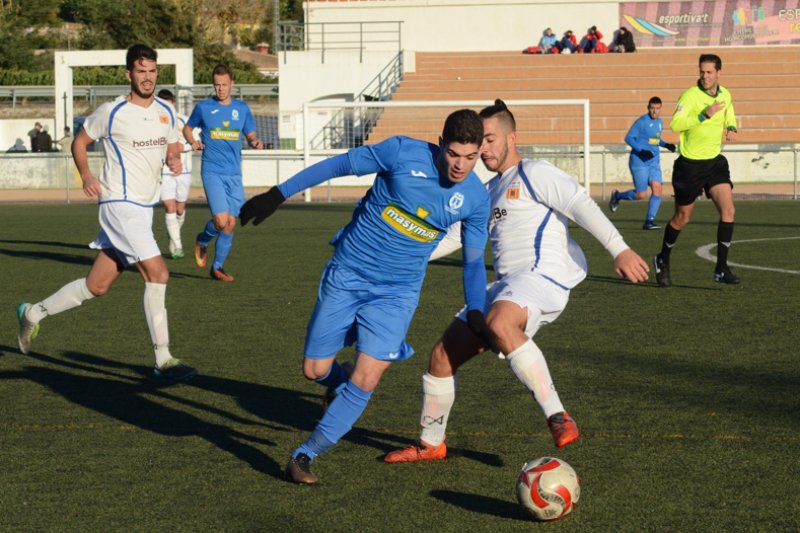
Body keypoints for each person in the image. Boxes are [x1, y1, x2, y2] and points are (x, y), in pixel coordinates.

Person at [383, 100, 649, 464]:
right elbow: (453, 238)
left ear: (513, 138)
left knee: (499, 322)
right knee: (442, 356)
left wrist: (619, 249)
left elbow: (580, 203)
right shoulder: (486, 192)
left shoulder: (535, 172)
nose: (485, 148)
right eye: (481, 141)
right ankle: (431, 443)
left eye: (490, 139)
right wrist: (400, 253)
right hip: (506, 286)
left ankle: (557, 414)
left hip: (544, 277)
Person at [238, 109, 492, 484]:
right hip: (349, 275)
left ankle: (305, 455)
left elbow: (473, 262)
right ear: (441, 144)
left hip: (398, 293)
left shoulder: (475, 197)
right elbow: (338, 165)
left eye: (470, 158)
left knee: (368, 377)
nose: (461, 165)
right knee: (315, 369)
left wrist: (476, 311)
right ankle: (336, 385)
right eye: (454, 154)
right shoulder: (401, 152)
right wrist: (278, 194)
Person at [15, 44, 197, 382]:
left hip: (144, 209)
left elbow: (172, 142)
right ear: (128, 74)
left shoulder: (166, 111)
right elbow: (79, 142)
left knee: (96, 286)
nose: (148, 77)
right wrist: (86, 175)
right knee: (158, 274)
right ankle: (163, 359)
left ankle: (32, 312)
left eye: (152, 71)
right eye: (141, 71)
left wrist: (174, 158)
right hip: (118, 205)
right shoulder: (111, 112)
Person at [653, 53, 740, 288]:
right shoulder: (690, 96)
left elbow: (729, 109)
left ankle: (721, 269)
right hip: (689, 166)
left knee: (728, 210)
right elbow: (676, 124)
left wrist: (731, 125)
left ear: (719, 72)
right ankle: (662, 259)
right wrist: (704, 115)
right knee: (682, 219)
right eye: (702, 71)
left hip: (714, 163)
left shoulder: (725, 94)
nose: (705, 76)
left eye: (709, 72)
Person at [184, 63, 264, 282]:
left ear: (232, 84)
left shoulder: (242, 109)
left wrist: (255, 141)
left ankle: (217, 267)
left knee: (230, 223)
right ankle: (202, 240)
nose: (220, 89)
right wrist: (193, 141)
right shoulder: (204, 108)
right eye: (217, 85)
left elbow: (250, 135)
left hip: (234, 174)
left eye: (224, 85)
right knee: (219, 221)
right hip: (212, 172)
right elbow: (187, 128)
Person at [609, 96, 676, 230]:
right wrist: (641, 151)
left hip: (653, 162)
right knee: (641, 194)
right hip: (639, 161)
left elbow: (654, 139)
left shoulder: (660, 122)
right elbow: (628, 138)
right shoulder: (642, 122)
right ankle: (618, 196)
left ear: (661, 108)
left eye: (657, 108)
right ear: (648, 108)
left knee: (658, 189)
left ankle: (649, 221)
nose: (654, 111)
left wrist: (666, 145)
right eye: (652, 108)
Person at [157, 89, 195, 259]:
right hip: (165, 172)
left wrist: (184, 147)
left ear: (173, 103)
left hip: (184, 172)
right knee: (169, 206)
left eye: (168, 104)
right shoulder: (155, 122)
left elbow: (195, 144)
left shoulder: (185, 121)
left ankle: (173, 236)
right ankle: (178, 246)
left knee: (180, 209)